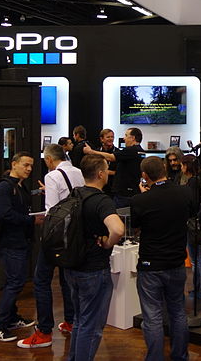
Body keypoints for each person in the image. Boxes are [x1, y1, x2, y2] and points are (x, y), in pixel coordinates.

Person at [17, 143, 85, 348]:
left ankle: (44, 331)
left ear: (48, 159)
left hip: (55, 238)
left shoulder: (52, 176)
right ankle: (71, 322)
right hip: (74, 235)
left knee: (41, 281)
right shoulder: (78, 172)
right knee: (67, 280)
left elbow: (52, 211)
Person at [132, 155, 195, 361]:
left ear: (144, 175)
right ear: (165, 169)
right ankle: (180, 356)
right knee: (178, 313)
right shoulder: (185, 192)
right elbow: (191, 213)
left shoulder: (140, 200)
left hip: (150, 264)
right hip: (176, 262)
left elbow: (135, 228)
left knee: (152, 317)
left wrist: (145, 196)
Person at [65, 154, 125, 360]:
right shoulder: (101, 200)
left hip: (73, 267)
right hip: (94, 269)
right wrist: (109, 243)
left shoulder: (75, 194)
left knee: (80, 320)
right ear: (100, 174)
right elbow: (118, 229)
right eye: (106, 169)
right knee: (92, 326)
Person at [0, 152, 38, 342]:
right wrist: (31, 220)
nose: (29, 169)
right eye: (25, 165)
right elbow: (4, 214)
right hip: (11, 243)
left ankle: (11, 318)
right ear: (14, 164)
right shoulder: (4, 187)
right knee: (15, 283)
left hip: (20, 241)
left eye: (31, 165)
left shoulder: (19, 186)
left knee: (15, 282)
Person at [85, 127, 144, 208]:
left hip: (124, 193)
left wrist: (91, 152)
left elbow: (111, 157)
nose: (124, 138)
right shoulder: (140, 151)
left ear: (133, 138)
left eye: (126, 135)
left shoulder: (130, 150)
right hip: (129, 191)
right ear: (102, 139)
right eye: (108, 137)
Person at [181, 153, 201, 299]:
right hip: (199, 223)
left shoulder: (192, 183)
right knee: (200, 259)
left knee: (195, 259)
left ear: (186, 166)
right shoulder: (200, 181)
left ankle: (198, 290)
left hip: (192, 224)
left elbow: (191, 204)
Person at [98, 128, 118, 196]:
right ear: (102, 139)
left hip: (113, 188)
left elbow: (121, 172)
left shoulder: (118, 153)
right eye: (108, 137)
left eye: (112, 137)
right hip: (99, 187)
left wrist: (109, 172)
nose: (110, 139)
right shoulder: (96, 152)